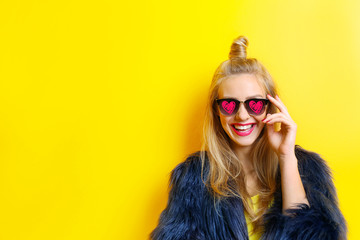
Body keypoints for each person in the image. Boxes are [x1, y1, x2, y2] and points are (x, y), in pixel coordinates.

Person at [150, 36, 347, 240]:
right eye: (229, 105)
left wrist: (287, 157)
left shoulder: (307, 170)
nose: (242, 115)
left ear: (270, 107)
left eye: (254, 104)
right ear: (216, 111)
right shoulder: (194, 179)